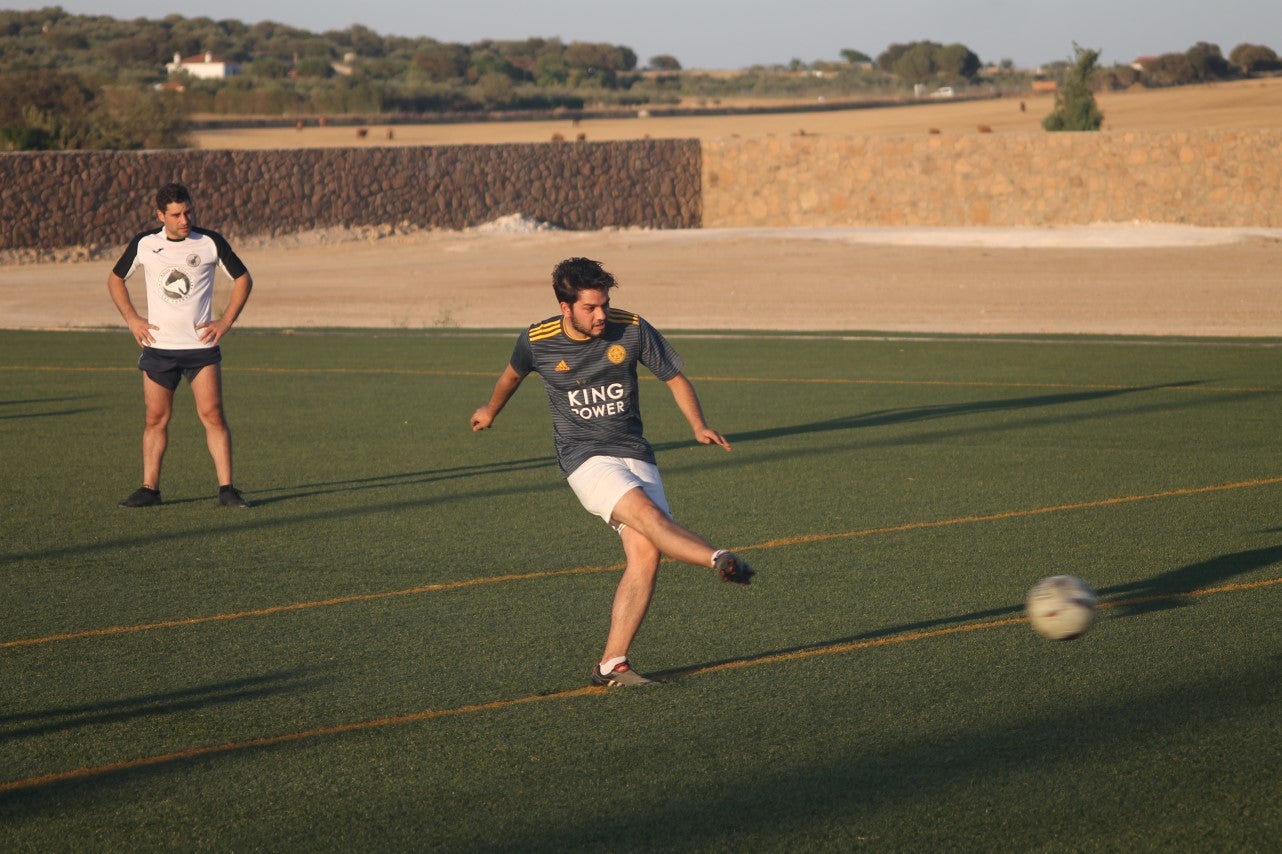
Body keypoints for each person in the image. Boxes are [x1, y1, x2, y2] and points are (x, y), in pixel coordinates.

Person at [470, 257, 754, 688]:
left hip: (634, 451)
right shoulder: (537, 340)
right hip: (584, 457)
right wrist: (490, 410)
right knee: (646, 516)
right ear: (566, 308)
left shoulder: (633, 328)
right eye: (590, 308)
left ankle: (612, 665)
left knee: (647, 554)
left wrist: (698, 425)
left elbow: (675, 378)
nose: (601, 314)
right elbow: (512, 376)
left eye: (604, 304)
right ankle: (717, 557)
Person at [107, 182, 254, 509]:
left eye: (188, 211)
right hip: (159, 350)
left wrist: (224, 322)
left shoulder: (210, 242)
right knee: (155, 419)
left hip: (201, 350)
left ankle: (227, 489)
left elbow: (244, 279)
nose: (184, 219)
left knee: (213, 416)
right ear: (161, 215)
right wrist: (132, 319)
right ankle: (149, 489)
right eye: (176, 214)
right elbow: (115, 279)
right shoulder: (145, 244)